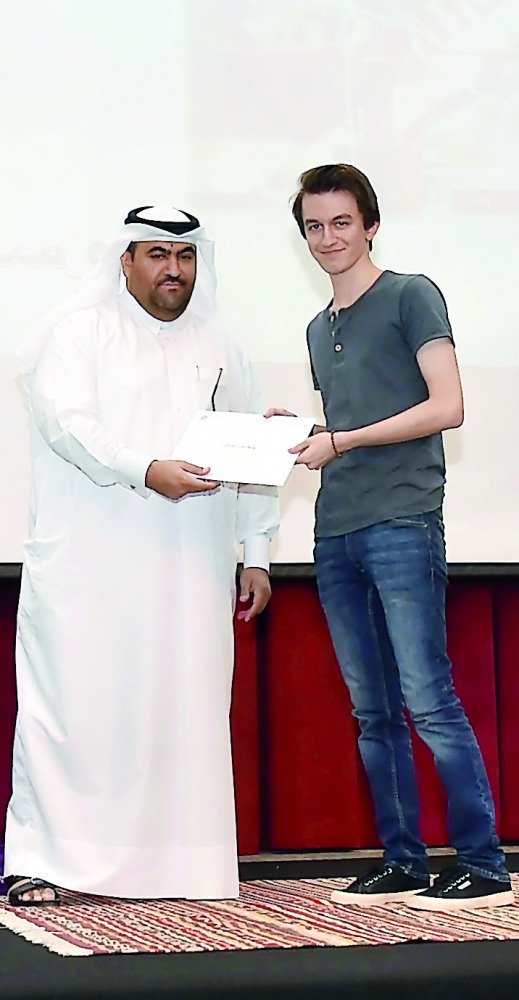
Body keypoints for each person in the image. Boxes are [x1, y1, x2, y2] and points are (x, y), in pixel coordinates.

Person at [2, 205, 278, 906]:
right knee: (78, 710)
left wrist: (256, 552)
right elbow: (69, 427)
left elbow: (248, 450)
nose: (173, 270)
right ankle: (45, 861)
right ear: (125, 261)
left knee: (183, 713)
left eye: (184, 257)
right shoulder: (77, 333)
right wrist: (146, 469)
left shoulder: (220, 345)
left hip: (190, 569)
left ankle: (182, 867)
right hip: (90, 567)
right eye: (157, 255)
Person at [267, 164, 513, 911]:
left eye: (341, 222)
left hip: (403, 520)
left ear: (370, 225)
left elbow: (447, 406)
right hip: (335, 531)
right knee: (371, 711)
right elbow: (358, 422)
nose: (327, 238)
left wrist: (338, 439)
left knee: (427, 699)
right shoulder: (318, 329)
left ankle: (483, 865)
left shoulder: (411, 294)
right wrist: (306, 432)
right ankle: (403, 861)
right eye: (313, 226)